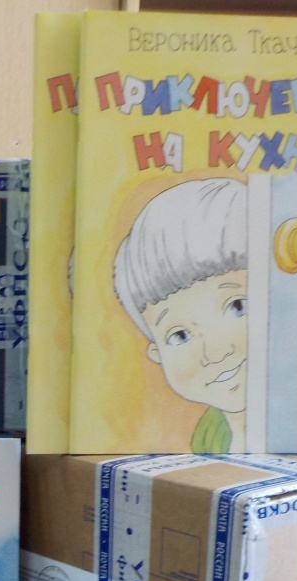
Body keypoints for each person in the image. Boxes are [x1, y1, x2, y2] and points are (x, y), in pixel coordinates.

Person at [113, 178, 249, 454]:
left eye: (237, 306)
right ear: (157, 353)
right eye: (180, 335)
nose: (215, 352)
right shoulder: (210, 434)